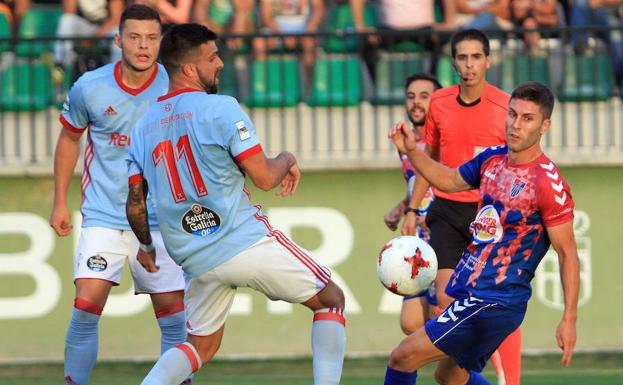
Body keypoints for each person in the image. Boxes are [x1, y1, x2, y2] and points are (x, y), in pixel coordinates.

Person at [125, 23, 346, 385]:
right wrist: (287, 157)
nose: (222, 63)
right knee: (331, 299)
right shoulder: (222, 108)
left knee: (199, 346)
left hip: (194, 258)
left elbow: (135, 202)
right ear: (190, 69)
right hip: (243, 241)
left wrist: (147, 246)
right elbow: (264, 178)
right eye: (213, 57)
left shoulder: (142, 127)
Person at [385, 81, 580, 385]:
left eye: (527, 119)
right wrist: (413, 151)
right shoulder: (492, 158)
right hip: (472, 293)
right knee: (449, 377)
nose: (515, 125)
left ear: (545, 125)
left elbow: (568, 253)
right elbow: (448, 181)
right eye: (512, 115)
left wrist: (569, 318)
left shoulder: (547, 183)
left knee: (403, 356)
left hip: (495, 301)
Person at [49, 5, 188, 385]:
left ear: (161, 42)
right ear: (118, 40)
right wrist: (60, 200)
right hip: (105, 216)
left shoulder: (176, 86)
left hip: (162, 221)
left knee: (175, 320)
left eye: (152, 38)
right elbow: (69, 139)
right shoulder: (90, 87)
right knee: (85, 309)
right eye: (134, 37)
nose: (143, 46)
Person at [402, 28, 521, 385]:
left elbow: (518, 165)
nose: (469, 65)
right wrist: (411, 209)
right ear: (453, 62)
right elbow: (431, 158)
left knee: (496, 306)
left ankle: (509, 380)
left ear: (488, 60)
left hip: (489, 218)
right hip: (448, 212)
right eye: (462, 58)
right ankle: (466, 373)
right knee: (445, 301)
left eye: (476, 57)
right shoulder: (439, 103)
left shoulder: (505, 107)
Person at [383, 73, 441, 335]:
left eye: (424, 96)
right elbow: (417, 182)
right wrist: (403, 206)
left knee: (439, 323)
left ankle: (489, 375)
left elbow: (440, 179)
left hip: (443, 238)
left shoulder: (442, 140)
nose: (416, 103)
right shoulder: (406, 141)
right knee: (411, 324)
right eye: (411, 97)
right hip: (419, 242)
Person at [54, 0, 124, 68]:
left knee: (117, 34)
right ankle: (60, 66)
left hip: (106, 29)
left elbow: (116, 18)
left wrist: (93, 38)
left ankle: (116, 73)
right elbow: (69, 12)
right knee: (67, 20)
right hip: (84, 28)